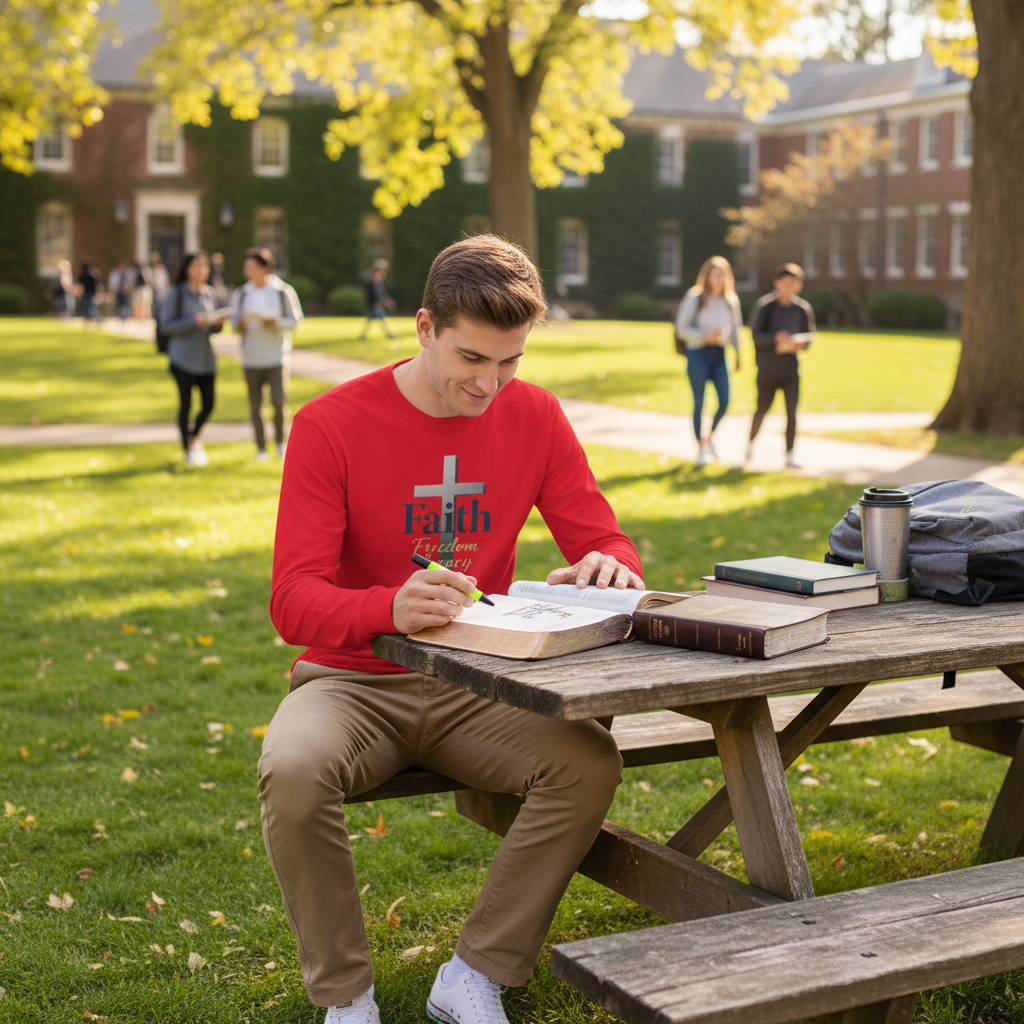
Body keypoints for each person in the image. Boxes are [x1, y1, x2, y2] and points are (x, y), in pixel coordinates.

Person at [260, 234, 643, 1024]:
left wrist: (607, 566)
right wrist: (385, 607)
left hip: (481, 681)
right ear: (424, 327)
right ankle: (347, 998)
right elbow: (292, 602)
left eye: (510, 362)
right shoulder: (330, 424)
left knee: (589, 762)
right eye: (473, 358)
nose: (490, 383)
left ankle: (476, 973)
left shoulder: (531, 414)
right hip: (353, 680)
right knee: (293, 770)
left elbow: (602, 536)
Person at [230, 247, 304, 461]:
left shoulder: (282, 292)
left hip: (276, 357)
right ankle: (261, 449)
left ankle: (280, 443)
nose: (248, 272)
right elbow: (234, 322)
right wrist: (240, 324)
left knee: (279, 402)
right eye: (246, 268)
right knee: (256, 407)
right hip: (251, 358)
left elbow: (296, 321)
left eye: (252, 267)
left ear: (265, 269)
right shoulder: (242, 294)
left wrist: (276, 322)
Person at [673, 256, 743, 467]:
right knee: (699, 402)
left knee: (724, 400)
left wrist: (738, 354)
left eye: (723, 275)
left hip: (719, 355)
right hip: (698, 354)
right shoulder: (695, 298)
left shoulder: (730, 301)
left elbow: (736, 330)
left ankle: (709, 438)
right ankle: (701, 447)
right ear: (708, 276)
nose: (720, 279)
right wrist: (704, 336)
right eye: (716, 274)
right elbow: (681, 329)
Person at [746, 263, 816, 469]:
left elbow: (809, 338)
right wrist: (776, 339)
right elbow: (755, 336)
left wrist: (799, 344)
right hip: (768, 370)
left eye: (792, 284)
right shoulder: (766, 307)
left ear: (798, 286)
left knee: (792, 412)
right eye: (784, 283)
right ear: (777, 283)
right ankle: (750, 443)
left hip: (790, 370)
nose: (788, 287)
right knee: (762, 409)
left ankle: (790, 453)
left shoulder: (802, 309)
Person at [160, 251, 225, 466]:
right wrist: (193, 322)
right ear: (187, 268)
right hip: (183, 359)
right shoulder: (176, 294)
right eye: (197, 266)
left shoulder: (209, 294)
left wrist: (216, 325)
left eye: (204, 266)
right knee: (186, 405)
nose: (201, 270)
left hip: (205, 359)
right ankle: (187, 448)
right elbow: (166, 325)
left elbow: (210, 328)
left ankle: (194, 437)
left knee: (209, 403)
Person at [357, 258, 395, 339]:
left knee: (372, 321)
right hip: (374, 305)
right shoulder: (370, 283)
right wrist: (378, 301)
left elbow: (382, 294)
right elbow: (372, 295)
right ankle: (387, 334)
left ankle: (363, 336)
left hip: (377, 305)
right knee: (380, 320)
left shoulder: (378, 283)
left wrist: (385, 300)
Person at [77, 260, 102, 326]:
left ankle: (98, 320)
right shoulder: (83, 274)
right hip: (86, 293)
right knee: (86, 307)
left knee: (91, 308)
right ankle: (88, 321)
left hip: (92, 293)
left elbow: (96, 283)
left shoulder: (93, 273)